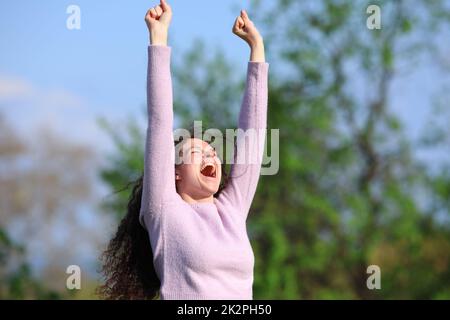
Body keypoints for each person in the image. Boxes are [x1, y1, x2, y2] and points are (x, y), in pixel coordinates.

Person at [99, 0, 269, 300]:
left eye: (213, 152)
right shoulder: (164, 210)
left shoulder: (232, 209)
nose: (211, 155)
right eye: (197, 151)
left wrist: (257, 50)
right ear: (174, 172)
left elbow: (252, 138)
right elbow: (160, 122)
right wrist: (159, 38)